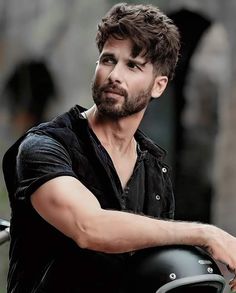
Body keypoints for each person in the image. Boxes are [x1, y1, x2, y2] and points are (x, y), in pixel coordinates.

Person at [2, 3, 236, 293]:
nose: (114, 74)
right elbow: (89, 227)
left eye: (133, 65)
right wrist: (204, 234)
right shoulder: (44, 146)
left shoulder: (154, 170)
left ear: (158, 86)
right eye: (108, 60)